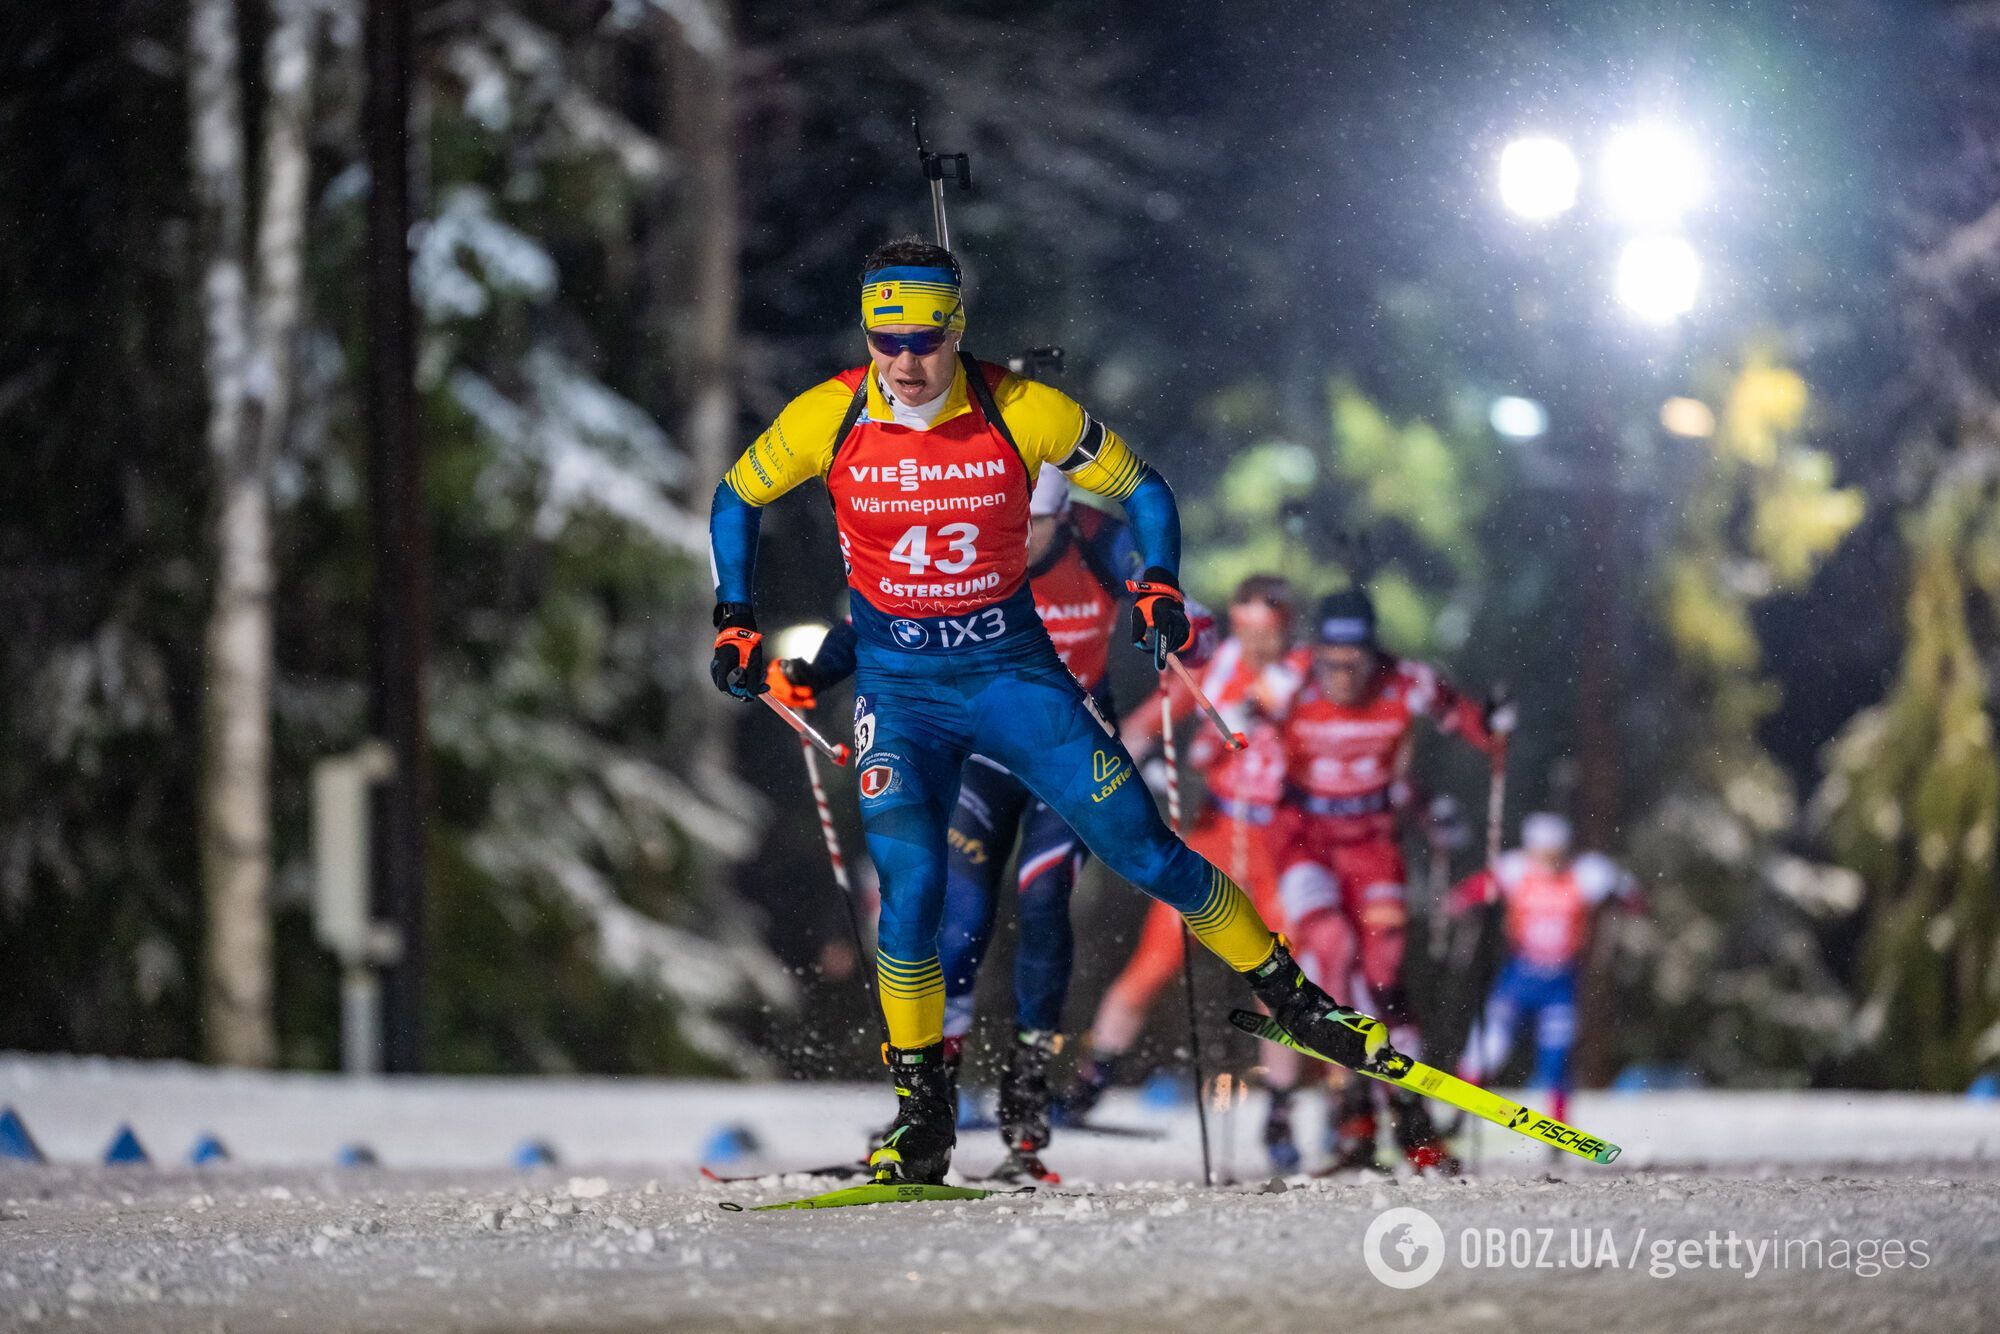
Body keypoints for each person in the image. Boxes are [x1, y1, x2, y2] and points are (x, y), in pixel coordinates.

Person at [707, 235, 1400, 1185]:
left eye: (925, 338)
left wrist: (1157, 583)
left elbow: (1144, 489)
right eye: (886, 338)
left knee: (1146, 851)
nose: (905, 362)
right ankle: (923, 1118)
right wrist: (734, 620)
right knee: (912, 895)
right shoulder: (829, 415)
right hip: (901, 696)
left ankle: (1296, 1000)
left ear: (956, 329)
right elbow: (735, 497)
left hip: (1014, 680)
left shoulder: (1023, 409)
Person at [770, 468, 1182, 1179]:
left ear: (1064, 516)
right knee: (957, 914)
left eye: (1035, 529)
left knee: (1045, 895)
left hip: (1067, 749)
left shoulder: (1099, 538)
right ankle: (931, 1101)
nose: (1015, 544)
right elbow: (874, 612)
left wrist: (1165, 607)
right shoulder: (966, 542)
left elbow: (1162, 586)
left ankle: (1027, 1097)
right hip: (984, 752)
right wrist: (816, 673)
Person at [1061, 574, 1309, 1167]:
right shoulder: (1215, 667)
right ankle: (1093, 1078)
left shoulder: (1308, 670)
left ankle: (1279, 1112)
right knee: (1155, 961)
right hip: (1216, 832)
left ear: (1287, 628)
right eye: (1247, 632)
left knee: (1280, 976)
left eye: (1268, 634)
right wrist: (1124, 768)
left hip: (1282, 839)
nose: (1257, 648)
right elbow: (1149, 723)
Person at [1272, 586, 1511, 1174]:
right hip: (1303, 840)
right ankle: (1361, 1109)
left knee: (1382, 976)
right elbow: (1221, 715)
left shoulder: (1408, 682)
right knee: (1333, 949)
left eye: (1355, 663)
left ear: (1373, 654)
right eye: (1331, 661)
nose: (1342, 676)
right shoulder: (1290, 676)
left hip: (1374, 845)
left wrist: (1496, 723)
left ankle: (1398, 1115)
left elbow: (1474, 725)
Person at [1447, 812, 1642, 1124]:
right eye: (1542, 853)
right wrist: (1466, 903)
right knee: (1488, 1048)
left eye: (1555, 854)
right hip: (1519, 975)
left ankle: (1559, 1125)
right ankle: (1458, 1113)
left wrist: (1625, 894)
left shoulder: (1586, 873)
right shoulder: (1516, 868)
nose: (1549, 861)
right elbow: (1472, 890)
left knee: (1557, 1057)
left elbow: (1632, 896)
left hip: (1560, 981)